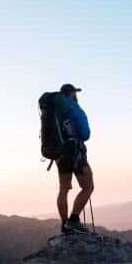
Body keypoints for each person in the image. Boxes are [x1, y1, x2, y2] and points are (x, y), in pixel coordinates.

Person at [56, 83, 94, 234]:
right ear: (71, 94)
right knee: (88, 186)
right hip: (75, 153)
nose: (76, 95)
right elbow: (85, 134)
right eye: (75, 93)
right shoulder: (75, 109)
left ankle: (64, 224)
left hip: (59, 154)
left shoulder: (55, 111)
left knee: (63, 189)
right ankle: (74, 220)